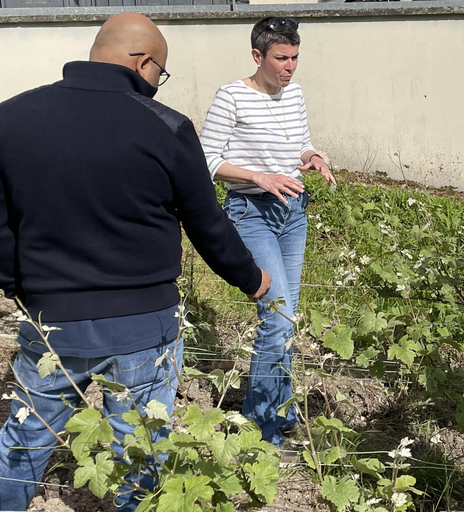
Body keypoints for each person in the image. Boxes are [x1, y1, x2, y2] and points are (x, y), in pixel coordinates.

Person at [0, 13, 269, 511]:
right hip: (144, 328)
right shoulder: (166, 127)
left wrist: (20, 286)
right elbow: (206, 224)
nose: (156, 86)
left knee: (24, 444)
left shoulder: (10, 119)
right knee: (141, 453)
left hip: (51, 325)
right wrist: (251, 278)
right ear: (144, 63)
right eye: (158, 74)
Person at [200, 17, 335, 448]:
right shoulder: (232, 97)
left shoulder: (293, 93)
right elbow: (205, 159)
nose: (290, 67)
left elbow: (298, 140)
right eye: (281, 58)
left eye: (295, 58)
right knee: (275, 317)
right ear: (258, 56)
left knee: (288, 317)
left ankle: (279, 406)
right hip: (250, 212)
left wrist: (312, 155)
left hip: (292, 212)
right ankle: (261, 429)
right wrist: (258, 177)